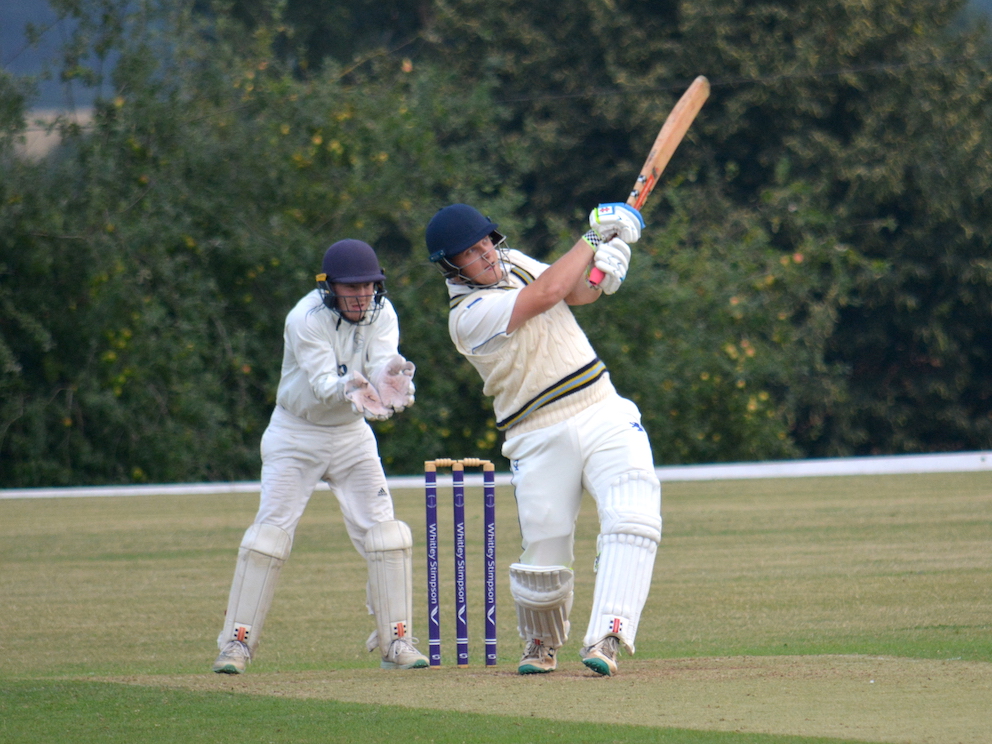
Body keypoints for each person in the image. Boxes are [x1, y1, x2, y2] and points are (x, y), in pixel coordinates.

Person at [425, 203, 662, 676]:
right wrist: (594, 236)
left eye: (487, 243)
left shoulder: (512, 262)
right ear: (451, 266)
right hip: (535, 431)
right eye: (472, 253)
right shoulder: (467, 316)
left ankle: (609, 636)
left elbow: (571, 292)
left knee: (634, 515)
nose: (487, 256)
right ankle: (541, 642)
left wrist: (602, 275)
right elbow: (547, 292)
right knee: (546, 550)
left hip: (600, 404)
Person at [213, 239, 428, 674]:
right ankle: (237, 644)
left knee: (386, 534)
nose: (361, 297)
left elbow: (385, 359)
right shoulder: (304, 319)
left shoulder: (383, 311)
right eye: (352, 289)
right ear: (329, 287)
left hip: (351, 435)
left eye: (369, 287)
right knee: (268, 537)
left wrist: (393, 380)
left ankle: (397, 641)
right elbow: (322, 382)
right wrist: (354, 390)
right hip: (296, 433)